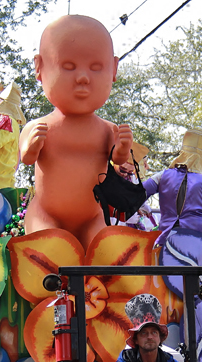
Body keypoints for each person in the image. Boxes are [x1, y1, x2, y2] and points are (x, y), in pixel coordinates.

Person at [21, 15, 134, 250]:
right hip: (46, 215)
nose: (83, 77)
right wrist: (33, 145)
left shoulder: (107, 129)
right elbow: (27, 158)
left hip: (93, 218)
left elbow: (117, 160)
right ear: (39, 67)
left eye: (96, 68)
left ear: (114, 69)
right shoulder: (40, 126)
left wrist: (122, 148)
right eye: (68, 67)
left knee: (105, 255)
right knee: (51, 255)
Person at [143, 129, 202, 246]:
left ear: (182, 153)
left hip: (166, 242)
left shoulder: (162, 176)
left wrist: (142, 207)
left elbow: (138, 193)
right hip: (198, 243)